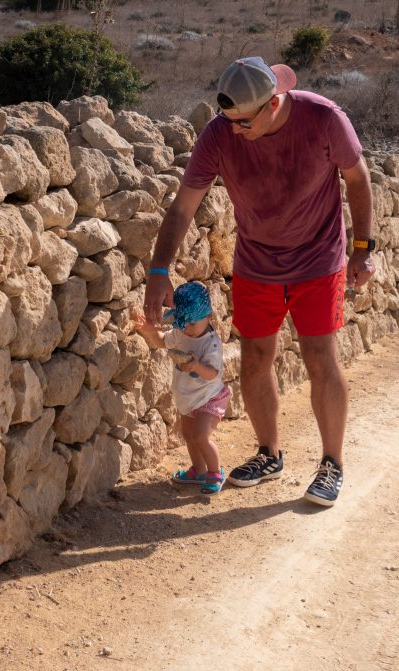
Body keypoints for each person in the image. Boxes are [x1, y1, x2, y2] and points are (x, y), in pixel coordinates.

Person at [143, 56, 376, 507]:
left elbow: (358, 179)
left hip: (319, 262)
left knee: (320, 358)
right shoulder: (220, 133)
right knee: (254, 359)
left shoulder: (324, 119)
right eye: (227, 120)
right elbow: (183, 207)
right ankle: (269, 454)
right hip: (256, 264)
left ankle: (332, 464)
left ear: (273, 103)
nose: (233, 131)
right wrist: (158, 270)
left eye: (243, 122)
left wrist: (363, 248)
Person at [134, 282, 232, 495]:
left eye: (192, 324)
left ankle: (215, 472)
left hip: (210, 397)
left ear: (209, 317)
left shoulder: (211, 343)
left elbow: (213, 373)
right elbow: (163, 342)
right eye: (182, 323)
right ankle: (199, 471)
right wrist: (151, 331)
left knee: (201, 437)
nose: (186, 328)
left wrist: (196, 366)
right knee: (188, 435)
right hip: (188, 397)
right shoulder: (181, 332)